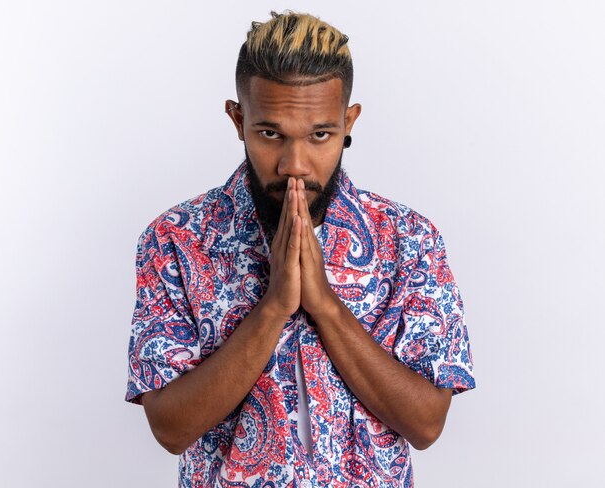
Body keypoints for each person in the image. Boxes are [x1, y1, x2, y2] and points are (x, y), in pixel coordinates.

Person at [125, 10, 475, 487]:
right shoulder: (174, 239)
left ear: (348, 121)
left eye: (320, 135)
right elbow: (170, 428)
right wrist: (272, 309)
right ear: (237, 118)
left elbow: (427, 424)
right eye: (270, 134)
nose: (295, 165)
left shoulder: (409, 240)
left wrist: (326, 306)